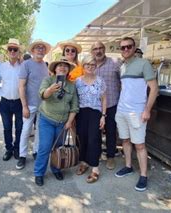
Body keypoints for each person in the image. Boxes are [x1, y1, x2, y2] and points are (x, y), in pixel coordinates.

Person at [114, 37, 159, 192]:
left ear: (134, 48)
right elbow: (125, 88)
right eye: (123, 47)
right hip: (122, 110)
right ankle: (128, 166)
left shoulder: (144, 63)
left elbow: (154, 88)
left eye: (129, 46)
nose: (125, 49)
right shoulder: (122, 66)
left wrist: (147, 109)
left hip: (137, 111)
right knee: (125, 140)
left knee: (139, 144)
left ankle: (144, 175)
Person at [34, 57, 79, 186]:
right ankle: (39, 173)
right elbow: (42, 95)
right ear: (55, 68)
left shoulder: (71, 86)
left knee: (58, 148)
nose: (62, 67)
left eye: (65, 66)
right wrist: (49, 90)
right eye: (59, 65)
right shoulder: (48, 80)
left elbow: (74, 106)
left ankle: (56, 168)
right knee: (45, 147)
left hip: (63, 123)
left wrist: (69, 122)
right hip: (47, 120)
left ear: (68, 69)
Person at [17, 39, 51, 170]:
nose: (40, 50)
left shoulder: (45, 65)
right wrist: (24, 106)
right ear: (32, 51)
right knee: (26, 130)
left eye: (42, 48)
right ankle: (22, 155)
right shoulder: (26, 64)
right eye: (38, 48)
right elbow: (21, 86)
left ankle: (36, 151)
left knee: (39, 130)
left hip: (43, 105)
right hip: (29, 104)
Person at [75, 56, 106, 183]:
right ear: (83, 65)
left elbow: (104, 99)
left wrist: (103, 116)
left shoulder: (100, 81)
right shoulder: (77, 81)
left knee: (94, 139)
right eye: (87, 64)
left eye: (93, 64)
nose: (90, 66)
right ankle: (84, 162)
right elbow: (74, 99)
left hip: (95, 112)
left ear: (96, 66)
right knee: (82, 138)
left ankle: (95, 168)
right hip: (81, 112)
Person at [91, 41, 121, 170]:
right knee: (95, 132)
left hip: (112, 103)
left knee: (111, 131)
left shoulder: (115, 63)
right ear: (92, 52)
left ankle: (110, 157)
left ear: (104, 49)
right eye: (95, 49)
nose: (98, 51)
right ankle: (95, 155)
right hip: (95, 105)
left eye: (100, 48)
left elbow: (123, 82)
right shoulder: (89, 65)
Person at [0, 38, 24, 161]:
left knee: (19, 128)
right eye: (10, 49)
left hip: (19, 102)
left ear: (19, 52)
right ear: (7, 52)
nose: (13, 51)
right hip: (5, 102)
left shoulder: (24, 66)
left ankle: (17, 149)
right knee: (7, 127)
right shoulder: (1, 66)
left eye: (15, 49)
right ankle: (8, 149)